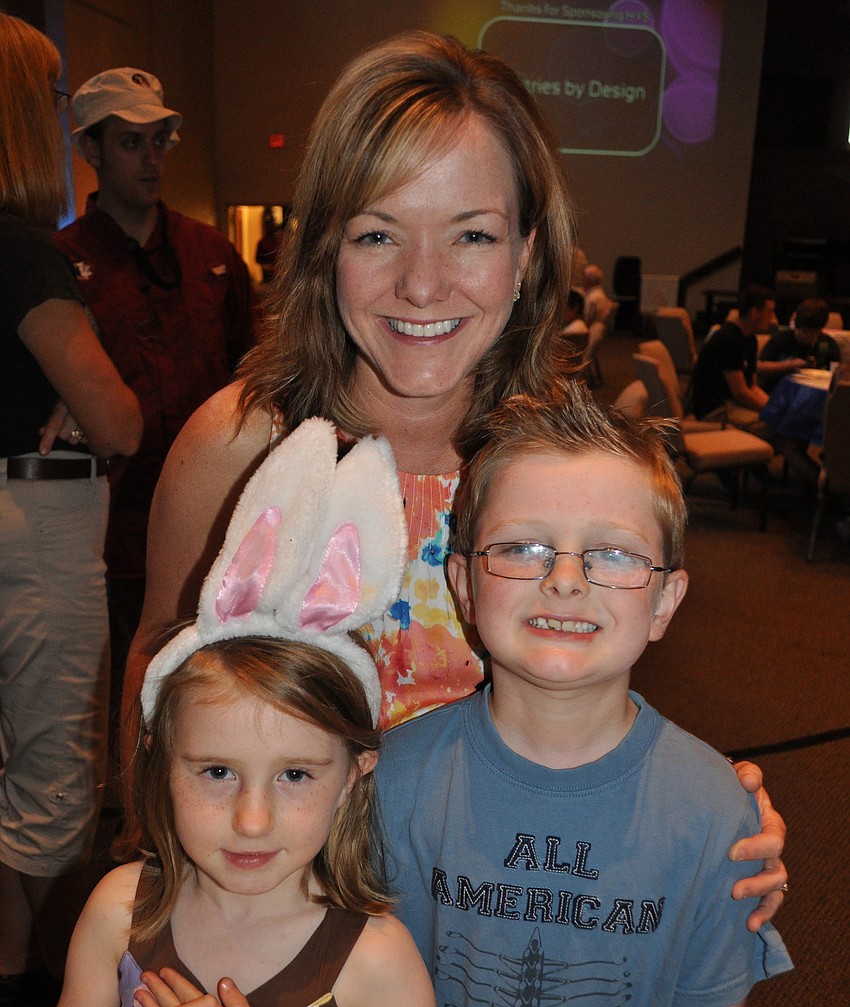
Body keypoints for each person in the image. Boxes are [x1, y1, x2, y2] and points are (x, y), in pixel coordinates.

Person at [123, 32, 787, 919]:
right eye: (378, 234)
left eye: (471, 234)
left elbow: (595, 697)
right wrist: (157, 903)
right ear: (324, 249)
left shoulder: (567, 470)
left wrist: (707, 811)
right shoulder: (242, 449)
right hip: (278, 928)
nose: (423, 285)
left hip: (491, 920)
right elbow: (154, 679)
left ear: (526, 253)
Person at [377, 389, 793, 1007]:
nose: (565, 578)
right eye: (522, 547)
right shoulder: (398, 781)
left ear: (668, 598)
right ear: (461, 582)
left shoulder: (715, 810)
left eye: (611, 554)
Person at [34, 421, 458, 1007]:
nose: (253, 819)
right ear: (160, 752)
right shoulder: (122, 912)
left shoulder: (373, 956)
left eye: (296, 775)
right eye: (218, 770)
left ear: (355, 774)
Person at [53, 67, 259, 768]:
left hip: (220, 512)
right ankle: (130, 826)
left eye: (159, 141)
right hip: (107, 529)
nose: (150, 158)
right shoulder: (63, 263)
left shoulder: (212, 256)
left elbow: (259, 366)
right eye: (131, 142)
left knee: (218, 682)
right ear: (93, 151)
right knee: (121, 689)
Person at [0, 14, 142, 1003]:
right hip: (34, 519)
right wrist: (91, 397)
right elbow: (121, 421)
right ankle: (18, 967)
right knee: (52, 757)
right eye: (52, 100)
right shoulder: (22, 252)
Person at [691, 284, 776, 423]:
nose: (772, 318)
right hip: (715, 408)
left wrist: (774, 407)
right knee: (771, 426)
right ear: (754, 313)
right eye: (769, 312)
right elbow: (740, 393)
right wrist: (773, 413)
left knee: (780, 421)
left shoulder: (750, 339)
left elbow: (752, 387)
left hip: (733, 403)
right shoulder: (729, 339)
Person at [758, 296, 841, 389]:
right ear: (797, 326)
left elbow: (837, 377)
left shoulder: (828, 344)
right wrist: (791, 365)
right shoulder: (781, 340)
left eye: (814, 332)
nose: (809, 337)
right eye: (805, 331)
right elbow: (760, 368)